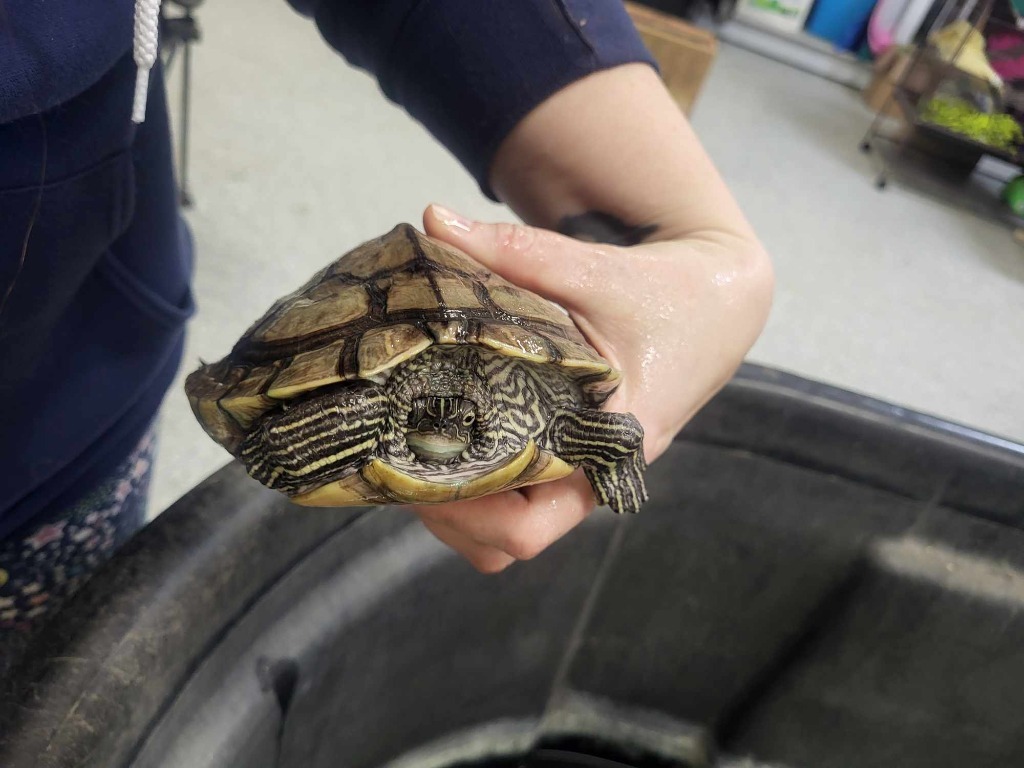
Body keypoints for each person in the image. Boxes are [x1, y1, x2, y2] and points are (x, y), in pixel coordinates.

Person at [0, 0, 773, 649]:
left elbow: (601, 418)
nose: (441, 422)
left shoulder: (526, 408)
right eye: (434, 409)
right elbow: (283, 441)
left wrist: (702, 237)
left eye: (451, 413)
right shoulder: (383, 412)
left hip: (58, 392)